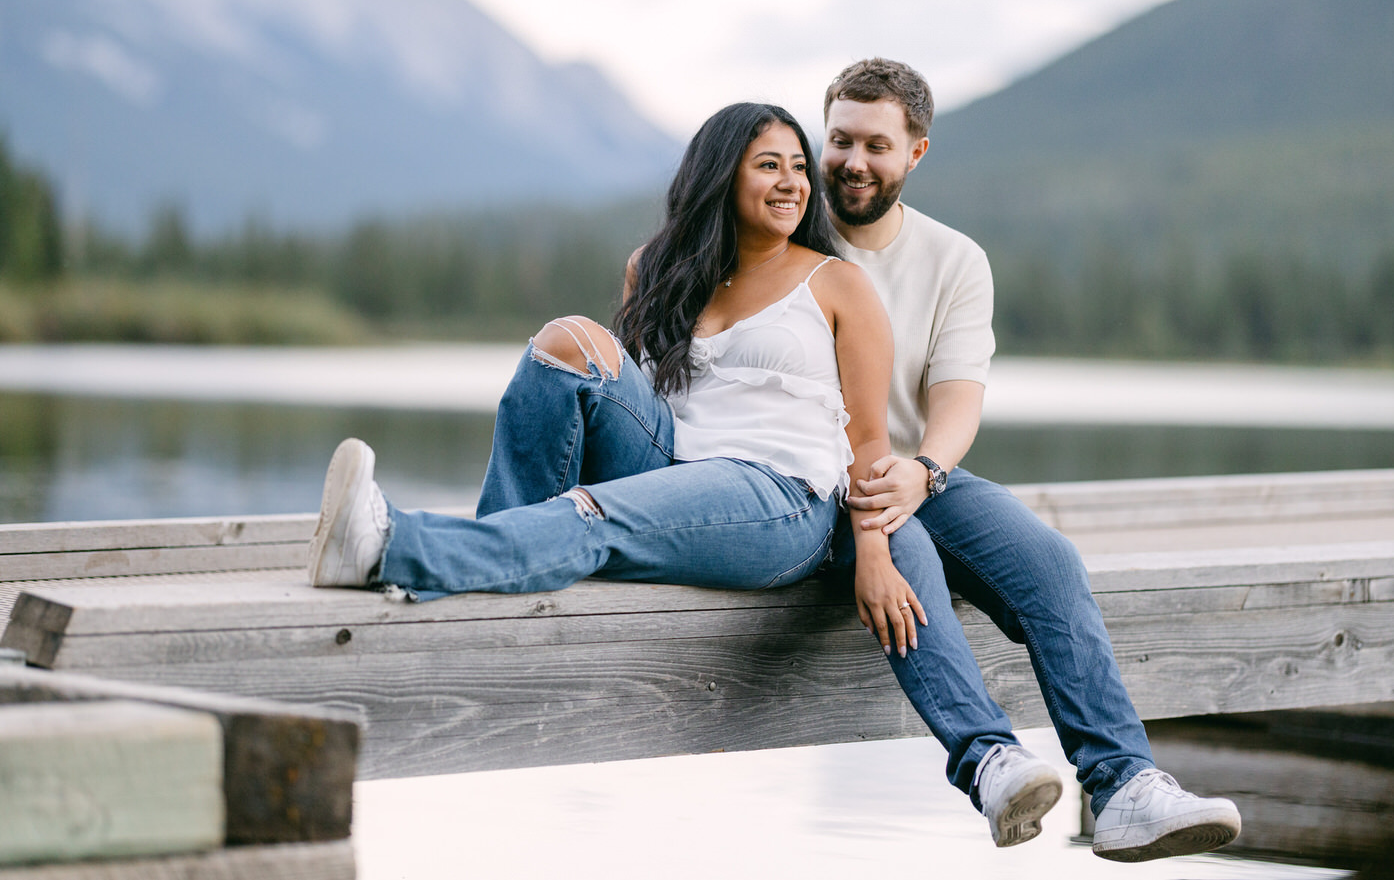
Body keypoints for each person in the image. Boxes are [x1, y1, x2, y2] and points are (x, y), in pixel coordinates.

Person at [305, 102, 941, 676]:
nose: (793, 183)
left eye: (799, 167)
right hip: (671, 460)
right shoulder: (659, 268)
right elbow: (633, 395)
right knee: (567, 340)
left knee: (593, 513)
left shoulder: (837, 283)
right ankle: (500, 555)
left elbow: (867, 442)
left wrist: (873, 555)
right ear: (721, 178)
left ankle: (389, 547)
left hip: (776, 493)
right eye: (769, 165)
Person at [819, 57, 1243, 862]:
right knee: (903, 553)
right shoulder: (792, 236)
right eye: (840, 139)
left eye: (877, 144)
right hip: (821, 486)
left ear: (916, 153)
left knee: (1048, 559)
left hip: (919, 473)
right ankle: (988, 760)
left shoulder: (953, 259)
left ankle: (1122, 787)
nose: (854, 161)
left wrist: (925, 470)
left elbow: (957, 397)